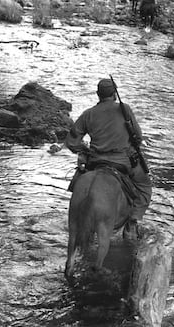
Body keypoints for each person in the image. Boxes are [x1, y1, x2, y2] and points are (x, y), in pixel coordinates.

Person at [65, 78, 152, 239]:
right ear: (114, 94)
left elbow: (71, 142)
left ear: (98, 94)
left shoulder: (88, 114)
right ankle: (132, 223)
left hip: (95, 161)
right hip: (123, 161)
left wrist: (84, 150)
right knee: (145, 186)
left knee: (79, 180)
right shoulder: (124, 109)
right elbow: (138, 137)